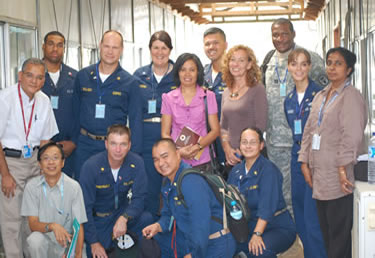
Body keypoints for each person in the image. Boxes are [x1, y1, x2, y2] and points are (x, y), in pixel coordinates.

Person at [298, 47, 367, 258]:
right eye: (329, 62)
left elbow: (352, 136)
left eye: (338, 63)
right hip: (320, 175)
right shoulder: (321, 95)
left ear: (348, 70)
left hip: (340, 176)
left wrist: (342, 168)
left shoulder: (351, 96)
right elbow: (309, 130)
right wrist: (303, 162)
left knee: (339, 236)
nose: (332, 67)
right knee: (327, 233)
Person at [261, 18, 328, 214]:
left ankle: (307, 234)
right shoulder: (267, 60)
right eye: (275, 34)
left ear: (293, 34)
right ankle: (290, 233)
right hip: (276, 142)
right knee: (281, 191)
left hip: (304, 142)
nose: (280, 38)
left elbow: (327, 93)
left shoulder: (311, 59)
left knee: (306, 191)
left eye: (284, 33)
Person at [0, 58, 59, 258]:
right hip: (11, 162)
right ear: (20, 76)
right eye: (29, 75)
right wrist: (5, 174)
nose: (34, 81)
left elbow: (45, 139)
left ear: (44, 80)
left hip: (35, 161)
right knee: (12, 220)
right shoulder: (5, 98)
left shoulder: (43, 100)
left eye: (39, 77)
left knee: (32, 216)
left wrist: (44, 170)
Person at [142, 138, 236, 258]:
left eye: (165, 156)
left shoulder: (190, 181)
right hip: (194, 242)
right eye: (156, 159)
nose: (161, 163)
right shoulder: (168, 182)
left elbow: (200, 224)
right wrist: (158, 226)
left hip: (214, 244)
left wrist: (194, 255)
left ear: (177, 155)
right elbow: (168, 214)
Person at [73, 30, 143, 180]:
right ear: (100, 46)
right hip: (85, 144)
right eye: (107, 46)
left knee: (109, 193)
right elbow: (74, 113)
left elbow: (136, 121)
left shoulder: (130, 82)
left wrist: (134, 155)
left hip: (114, 149)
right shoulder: (83, 76)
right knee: (83, 191)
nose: (110, 51)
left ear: (122, 50)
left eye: (115, 47)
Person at [79, 124, 152, 258]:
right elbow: (85, 208)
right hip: (100, 221)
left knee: (146, 218)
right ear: (106, 144)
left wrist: (125, 217)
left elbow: (139, 198)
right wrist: (94, 242)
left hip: (123, 215)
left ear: (129, 145)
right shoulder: (90, 167)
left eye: (123, 144)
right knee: (97, 252)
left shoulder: (137, 163)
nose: (118, 150)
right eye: (113, 144)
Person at [283, 48, 326, 258]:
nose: (298, 68)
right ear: (288, 67)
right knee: (299, 213)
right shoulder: (289, 98)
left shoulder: (320, 95)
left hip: (314, 160)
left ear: (309, 67)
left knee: (312, 217)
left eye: (303, 64)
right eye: (294, 63)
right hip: (296, 157)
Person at [227, 128, 296, 258]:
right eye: (244, 142)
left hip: (276, 226)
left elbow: (267, 207)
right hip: (248, 227)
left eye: (253, 142)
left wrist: (257, 234)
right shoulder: (235, 172)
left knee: (258, 251)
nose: (248, 146)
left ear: (261, 145)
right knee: (225, 247)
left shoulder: (268, 170)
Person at [133, 31, 175, 220]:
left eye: (164, 48)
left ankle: (173, 227)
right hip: (145, 138)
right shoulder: (139, 75)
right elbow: (133, 112)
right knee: (149, 186)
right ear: (150, 50)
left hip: (171, 136)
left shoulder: (179, 75)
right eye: (155, 47)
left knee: (172, 184)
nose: (159, 52)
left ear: (170, 50)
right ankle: (150, 232)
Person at [21, 142, 87, 258]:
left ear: (63, 162)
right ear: (39, 164)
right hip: (45, 243)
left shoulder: (74, 187)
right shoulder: (32, 187)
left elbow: (79, 225)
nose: (51, 162)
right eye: (46, 158)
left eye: (55, 158)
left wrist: (77, 254)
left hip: (67, 243)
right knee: (34, 240)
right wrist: (52, 226)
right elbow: (33, 224)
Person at [161, 53, 220, 170]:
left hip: (204, 159)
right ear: (178, 72)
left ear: (198, 72)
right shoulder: (168, 98)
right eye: (183, 70)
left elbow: (215, 130)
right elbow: (165, 133)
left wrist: (198, 146)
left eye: (192, 70)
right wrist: (178, 151)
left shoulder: (208, 96)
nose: (187, 74)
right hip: (177, 159)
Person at [221, 45, 267, 168]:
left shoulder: (257, 89)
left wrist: (243, 152)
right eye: (232, 60)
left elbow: (261, 126)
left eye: (241, 60)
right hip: (232, 157)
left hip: (252, 157)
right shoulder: (226, 92)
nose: (236, 64)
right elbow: (223, 127)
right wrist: (227, 149)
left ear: (249, 65)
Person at [41, 31, 77, 178]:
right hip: (39, 148)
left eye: (59, 45)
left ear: (64, 49)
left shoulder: (75, 77)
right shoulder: (34, 76)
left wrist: (74, 142)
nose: (55, 49)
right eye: (51, 44)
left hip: (68, 149)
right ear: (43, 47)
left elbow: (80, 112)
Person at [203, 27, 228, 164]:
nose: (211, 47)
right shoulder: (202, 73)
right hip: (207, 141)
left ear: (225, 45)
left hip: (229, 140)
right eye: (207, 44)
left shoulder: (234, 72)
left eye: (216, 43)